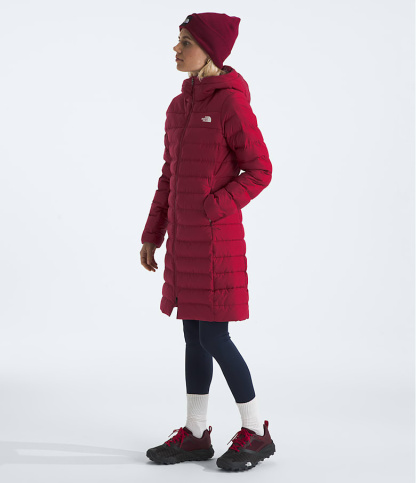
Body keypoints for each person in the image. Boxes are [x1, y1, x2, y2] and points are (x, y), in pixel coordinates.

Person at [140, 12, 274, 471]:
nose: (176, 49)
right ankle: (196, 434)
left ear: (209, 51)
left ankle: (256, 431)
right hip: (183, 244)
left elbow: (260, 170)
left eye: (185, 42)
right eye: (177, 40)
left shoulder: (230, 103)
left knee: (215, 336)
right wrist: (152, 234)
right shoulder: (179, 107)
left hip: (215, 244)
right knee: (193, 337)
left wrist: (212, 206)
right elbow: (169, 176)